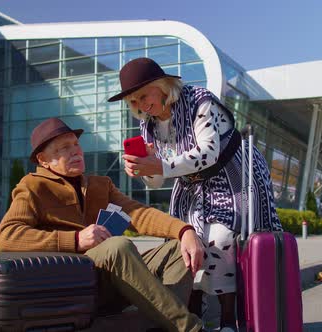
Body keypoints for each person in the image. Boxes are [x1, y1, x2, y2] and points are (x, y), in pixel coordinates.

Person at [112, 57, 283, 331]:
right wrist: (144, 169)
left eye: (143, 95)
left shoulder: (200, 101)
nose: (141, 105)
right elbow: (156, 182)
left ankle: (228, 321)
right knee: (189, 241)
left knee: (221, 237)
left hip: (233, 173)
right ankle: (196, 315)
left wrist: (163, 165)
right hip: (192, 184)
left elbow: (209, 152)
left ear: (161, 85)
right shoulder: (148, 127)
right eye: (133, 101)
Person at [0, 118, 205, 332]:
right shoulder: (32, 187)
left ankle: (157, 325)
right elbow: (7, 235)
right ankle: (189, 328)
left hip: (112, 279)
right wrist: (76, 240)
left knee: (179, 249)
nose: (75, 151)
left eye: (76, 144)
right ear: (43, 160)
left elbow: (139, 214)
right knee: (117, 246)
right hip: (73, 283)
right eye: (64, 148)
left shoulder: (100, 185)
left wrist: (184, 230)